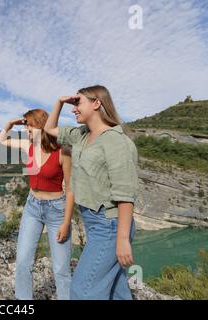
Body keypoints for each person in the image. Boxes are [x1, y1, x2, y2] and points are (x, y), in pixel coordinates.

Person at [44, 85, 139, 300]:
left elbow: (125, 193)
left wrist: (122, 239)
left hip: (110, 225)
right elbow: (50, 129)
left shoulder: (115, 140)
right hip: (95, 222)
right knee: (116, 289)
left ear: (97, 103)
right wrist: (60, 101)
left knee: (82, 291)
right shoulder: (81, 136)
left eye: (78, 103)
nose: (74, 108)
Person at [0, 109, 75, 300]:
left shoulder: (62, 152)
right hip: (32, 207)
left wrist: (66, 222)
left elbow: (71, 188)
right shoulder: (28, 145)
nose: (26, 131)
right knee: (23, 261)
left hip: (56, 210)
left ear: (41, 126)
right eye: (26, 127)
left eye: (29, 126)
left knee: (61, 268)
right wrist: (10, 124)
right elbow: (2, 139)